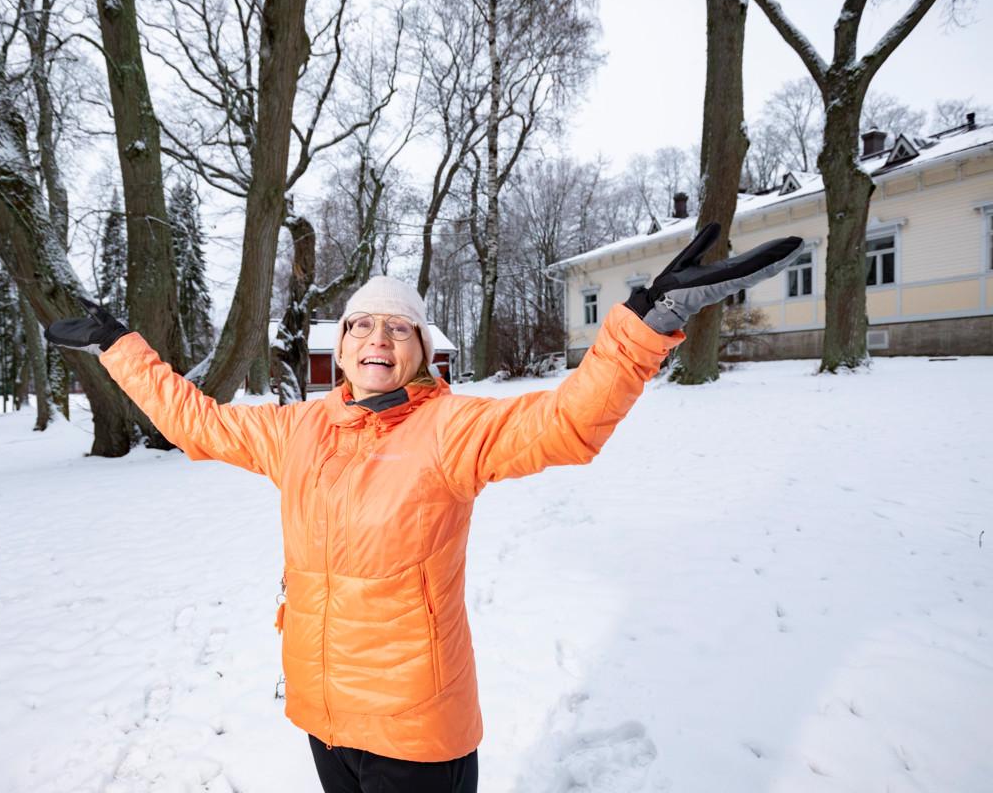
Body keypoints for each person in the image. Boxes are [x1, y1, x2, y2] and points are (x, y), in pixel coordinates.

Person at [45, 223, 803, 793]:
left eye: (398, 327)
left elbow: (569, 423)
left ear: (420, 349)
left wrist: (646, 326)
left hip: (416, 730)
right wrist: (120, 344)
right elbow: (195, 423)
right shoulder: (297, 429)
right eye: (363, 325)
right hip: (324, 716)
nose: (379, 337)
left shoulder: (452, 429)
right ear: (341, 346)